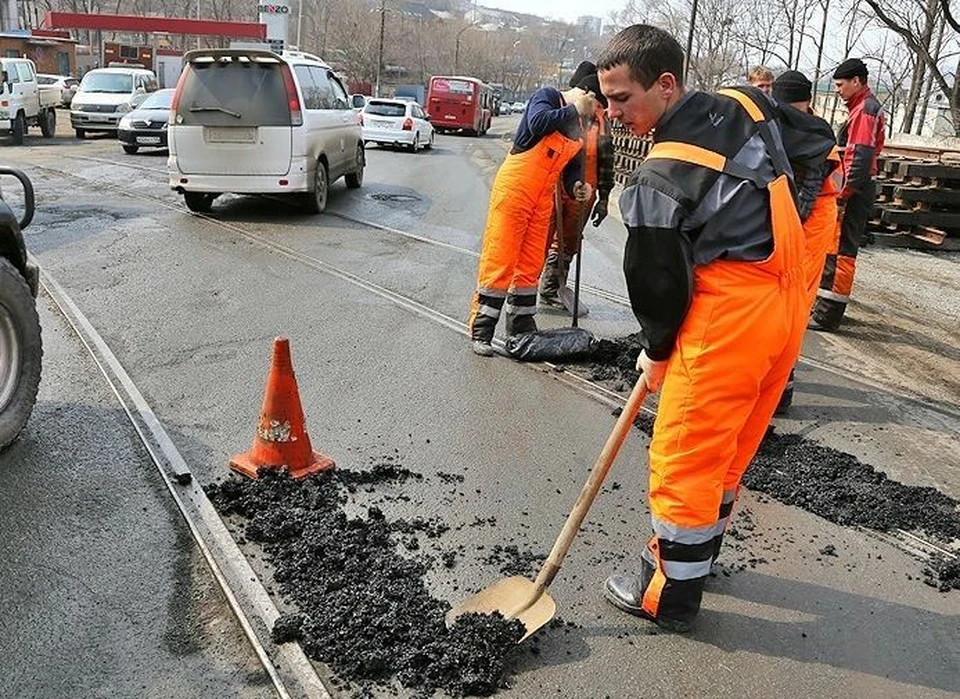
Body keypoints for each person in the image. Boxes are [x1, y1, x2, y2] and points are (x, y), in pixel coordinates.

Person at [597, 25, 808, 631]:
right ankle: (698, 556)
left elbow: (658, 283)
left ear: (666, 85)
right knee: (729, 449)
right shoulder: (745, 102)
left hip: (731, 315)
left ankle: (669, 592)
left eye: (622, 98)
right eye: (606, 99)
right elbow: (810, 145)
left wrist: (657, 351)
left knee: (686, 451)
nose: (613, 113)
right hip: (784, 300)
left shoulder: (663, 175)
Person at [467, 82, 598, 355]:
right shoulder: (548, 98)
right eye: (591, 107)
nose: (589, 116)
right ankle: (482, 329)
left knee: (531, 263)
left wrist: (576, 187)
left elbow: (572, 168)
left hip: (542, 198)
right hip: (515, 189)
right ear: (582, 94)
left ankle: (521, 325)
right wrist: (574, 109)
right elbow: (538, 123)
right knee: (501, 257)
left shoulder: (578, 128)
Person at [771, 70, 843, 413]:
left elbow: (807, 193)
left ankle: (781, 388)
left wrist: (784, 228)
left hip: (810, 225)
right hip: (799, 219)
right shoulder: (789, 123)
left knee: (793, 306)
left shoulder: (815, 134)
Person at [810, 58, 885, 331]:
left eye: (841, 85)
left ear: (857, 82)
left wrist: (843, 194)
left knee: (840, 249)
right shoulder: (861, 107)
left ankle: (827, 314)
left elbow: (860, 156)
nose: (838, 91)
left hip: (855, 188)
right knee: (837, 247)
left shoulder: (864, 110)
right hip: (857, 186)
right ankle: (825, 306)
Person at [539, 62, 615, 317]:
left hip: (584, 194)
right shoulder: (561, 111)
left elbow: (607, 161)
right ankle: (522, 289)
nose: (597, 105)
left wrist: (604, 198)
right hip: (553, 189)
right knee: (539, 240)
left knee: (569, 242)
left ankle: (551, 288)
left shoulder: (601, 122)